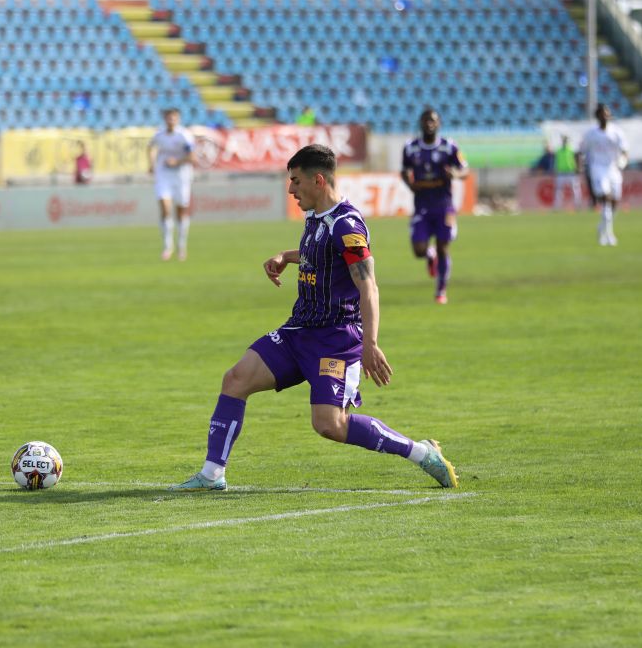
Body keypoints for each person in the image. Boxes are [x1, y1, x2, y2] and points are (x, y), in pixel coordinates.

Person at [169, 144, 458, 492]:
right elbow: (317, 253)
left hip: (335, 340)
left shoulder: (347, 225)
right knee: (235, 379)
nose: (290, 189)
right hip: (299, 331)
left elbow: (368, 286)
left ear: (318, 180)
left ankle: (422, 453)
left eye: (295, 181)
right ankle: (212, 474)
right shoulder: (316, 216)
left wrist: (370, 344)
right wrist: (286, 256)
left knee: (329, 425)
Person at [400, 108, 469, 304]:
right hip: (422, 206)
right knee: (418, 250)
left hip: (444, 206)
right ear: (421, 123)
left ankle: (441, 290)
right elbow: (404, 170)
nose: (429, 123)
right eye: (426, 120)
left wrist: (455, 174)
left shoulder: (449, 146)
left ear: (438, 123)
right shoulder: (410, 148)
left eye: (433, 120)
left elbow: (465, 170)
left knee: (443, 247)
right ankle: (430, 255)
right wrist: (409, 183)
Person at [578, 103, 629, 246]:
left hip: (613, 169)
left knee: (614, 203)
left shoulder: (617, 132)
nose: (605, 117)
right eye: (602, 114)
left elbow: (625, 150)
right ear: (597, 116)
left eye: (607, 114)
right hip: (598, 169)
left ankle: (601, 227)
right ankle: (609, 234)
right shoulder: (591, 134)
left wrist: (623, 161)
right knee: (606, 199)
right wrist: (579, 166)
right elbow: (580, 150)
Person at [148, 108, 194, 261]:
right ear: (165, 119)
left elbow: (192, 157)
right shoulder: (159, 135)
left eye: (174, 118)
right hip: (164, 175)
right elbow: (150, 147)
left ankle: (182, 246)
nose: (171, 121)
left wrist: (177, 161)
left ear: (178, 119)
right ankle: (168, 246)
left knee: (181, 212)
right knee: (165, 208)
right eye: (168, 118)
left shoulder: (184, 136)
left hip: (181, 176)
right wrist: (151, 164)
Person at [553, 135, 582, 211]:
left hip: (571, 172)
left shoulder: (572, 150)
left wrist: (577, 169)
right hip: (561, 173)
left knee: (575, 190)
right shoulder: (558, 151)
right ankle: (557, 207)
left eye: (566, 140)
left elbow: (577, 159)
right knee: (558, 191)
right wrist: (555, 169)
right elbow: (556, 161)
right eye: (564, 140)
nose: (565, 142)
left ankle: (578, 205)